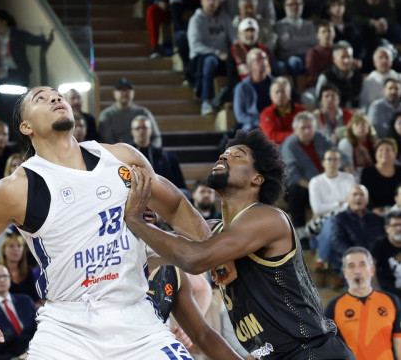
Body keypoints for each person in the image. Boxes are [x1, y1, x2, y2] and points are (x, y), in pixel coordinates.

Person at [0, 86, 215, 359]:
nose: (55, 98)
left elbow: (177, 206)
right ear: (26, 127)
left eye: (57, 94)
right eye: (40, 98)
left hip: (137, 319)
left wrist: (217, 258)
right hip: (67, 327)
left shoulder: (122, 158)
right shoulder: (15, 190)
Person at [122, 129, 355, 358]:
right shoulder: (213, 232)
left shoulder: (268, 218)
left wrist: (136, 221)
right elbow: (202, 335)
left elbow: (193, 259)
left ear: (257, 178)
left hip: (315, 352)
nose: (225, 156)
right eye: (224, 153)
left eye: (237, 155)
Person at [325, 247, 401, 360]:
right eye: (351, 266)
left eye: (362, 264)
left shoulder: (390, 300)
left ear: (372, 270)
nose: (357, 271)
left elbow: (400, 343)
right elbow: (328, 350)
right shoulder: (334, 307)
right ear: (345, 273)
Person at [187, 0, 236, 115]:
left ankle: (232, 98)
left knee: (236, 60)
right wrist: (217, 53)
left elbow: (234, 38)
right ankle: (206, 101)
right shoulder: (196, 19)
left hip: (224, 58)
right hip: (201, 59)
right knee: (210, 61)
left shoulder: (225, 17)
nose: (211, 2)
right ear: (202, 1)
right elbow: (195, 45)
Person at [280, 112, 332, 227]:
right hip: (304, 186)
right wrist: (315, 187)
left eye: (309, 127)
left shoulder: (320, 137)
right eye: (303, 128)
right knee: (294, 192)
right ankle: (300, 232)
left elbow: (334, 152)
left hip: (326, 181)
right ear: (295, 130)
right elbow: (292, 175)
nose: (307, 131)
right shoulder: (290, 145)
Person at [0, 265, 37, 360]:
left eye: (5, 276)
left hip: (33, 351)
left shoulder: (25, 301)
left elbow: (37, 328)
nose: (2, 280)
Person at [329, 185, 387, 273]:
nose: (358, 197)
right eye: (355, 194)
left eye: (362, 194)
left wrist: (374, 257)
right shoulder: (339, 219)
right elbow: (338, 243)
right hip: (351, 261)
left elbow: (383, 239)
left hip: (376, 261)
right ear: (348, 199)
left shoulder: (377, 219)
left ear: (367, 200)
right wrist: (359, 257)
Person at [130, 115, 187, 196]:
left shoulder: (166, 157)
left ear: (151, 130)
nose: (141, 131)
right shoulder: (125, 154)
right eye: (138, 128)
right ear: (132, 131)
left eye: (144, 128)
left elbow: (181, 187)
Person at [98, 78, 162, 146]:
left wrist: (152, 152)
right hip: (117, 154)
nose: (125, 93)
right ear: (114, 93)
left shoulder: (143, 112)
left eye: (128, 90)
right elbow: (106, 141)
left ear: (133, 92)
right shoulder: (107, 115)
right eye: (121, 90)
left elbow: (156, 137)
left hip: (142, 153)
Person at [360, 139, 401, 212]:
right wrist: (373, 209)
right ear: (375, 154)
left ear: (394, 153)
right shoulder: (367, 172)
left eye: (388, 150)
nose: (384, 153)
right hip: (374, 212)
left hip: (400, 211)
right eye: (381, 150)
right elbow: (365, 195)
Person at [273, 0, 315, 77]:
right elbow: (285, 44)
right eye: (291, 4)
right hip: (289, 57)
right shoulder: (280, 25)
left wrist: (293, 39)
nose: (295, 7)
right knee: (295, 62)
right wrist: (306, 40)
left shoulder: (309, 24)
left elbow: (315, 41)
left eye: (298, 4)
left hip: (308, 56)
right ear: (285, 7)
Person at [232, 48, 273, 131]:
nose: (263, 62)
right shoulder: (242, 87)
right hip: (253, 124)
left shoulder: (276, 83)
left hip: (274, 122)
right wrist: (259, 122)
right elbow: (240, 116)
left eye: (264, 58)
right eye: (258, 60)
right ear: (250, 65)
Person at [315, 41, 362, 110]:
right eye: (343, 57)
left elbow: (362, 100)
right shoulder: (326, 77)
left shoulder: (357, 76)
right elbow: (319, 102)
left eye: (349, 57)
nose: (346, 61)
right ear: (334, 59)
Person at [0, 232, 39, 304]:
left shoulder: (28, 272)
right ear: (4, 250)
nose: (16, 249)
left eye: (19, 246)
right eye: (11, 246)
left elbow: (34, 300)